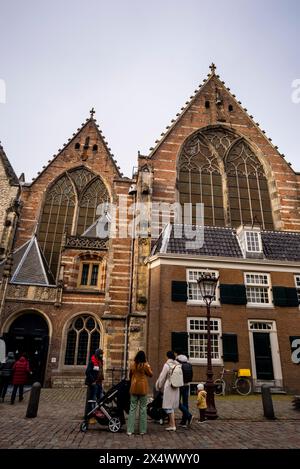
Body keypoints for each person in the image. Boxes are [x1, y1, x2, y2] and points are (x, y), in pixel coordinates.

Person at [127, 350, 153, 436]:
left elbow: (130, 376)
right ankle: (142, 430)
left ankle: (130, 430)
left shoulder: (133, 365)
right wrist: (148, 365)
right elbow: (150, 374)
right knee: (143, 409)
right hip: (143, 388)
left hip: (134, 387)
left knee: (132, 409)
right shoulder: (145, 365)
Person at [156, 351, 180, 431]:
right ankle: (171, 423)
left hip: (169, 386)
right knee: (172, 406)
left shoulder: (167, 365)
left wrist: (159, 386)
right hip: (176, 386)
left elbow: (162, 377)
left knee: (168, 406)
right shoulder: (178, 364)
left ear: (167, 357)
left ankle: (173, 425)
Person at [176, 354, 193, 427]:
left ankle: (189, 415)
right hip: (187, 385)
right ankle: (184, 421)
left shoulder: (179, 366)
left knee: (177, 402)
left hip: (180, 385)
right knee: (185, 403)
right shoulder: (189, 365)